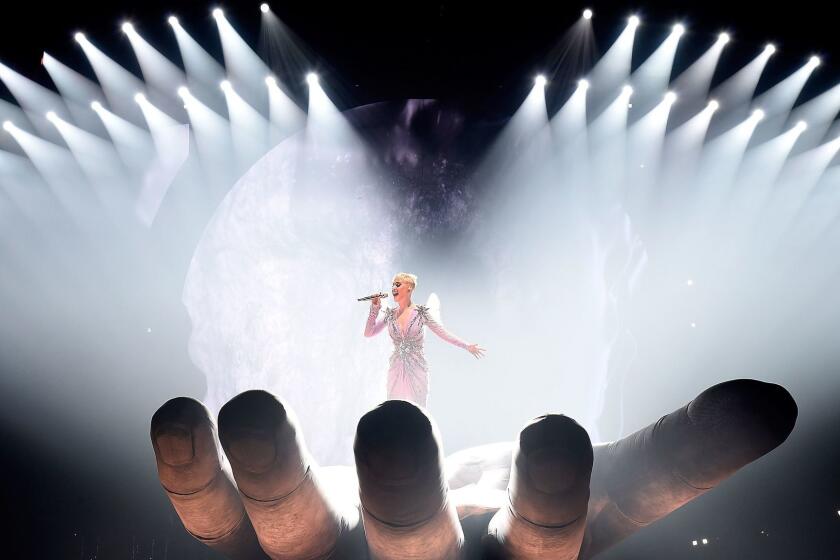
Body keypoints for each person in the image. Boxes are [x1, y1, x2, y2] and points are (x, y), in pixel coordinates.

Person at [364, 272, 485, 407]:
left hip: (417, 369)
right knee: (393, 409)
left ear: (409, 287)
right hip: (396, 369)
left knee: (417, 410)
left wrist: (466, 346)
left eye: (398, 284)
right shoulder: (390, 315)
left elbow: (442, 333)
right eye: (393, 285)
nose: (393, 288)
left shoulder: (421, 313)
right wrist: (374, 309)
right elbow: (368, 333)